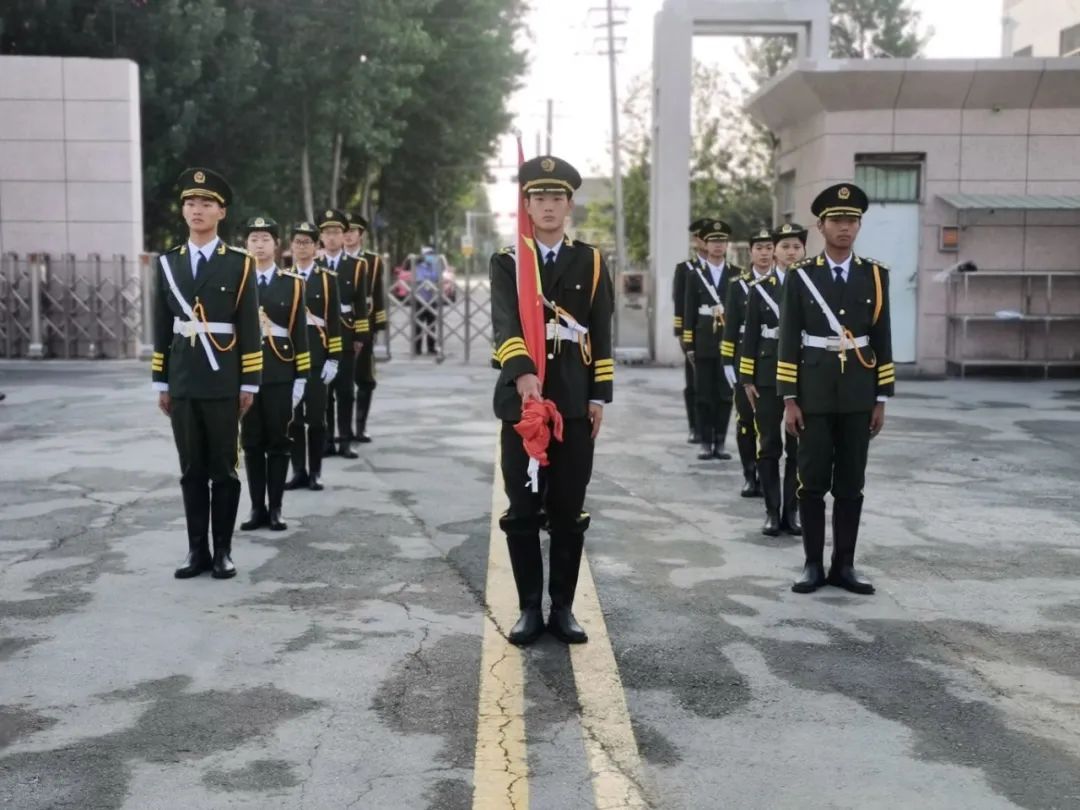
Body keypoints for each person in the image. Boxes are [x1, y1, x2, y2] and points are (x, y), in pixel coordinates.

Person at [491, 154, 614, 645]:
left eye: (556, 197)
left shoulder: (590, 260)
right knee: (522, 509)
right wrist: (522, 375)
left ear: (569, 204)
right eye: (538, 197)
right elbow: (506, 324)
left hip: (572, 401)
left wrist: (599, 395)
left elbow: (601, 331)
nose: (547, 205)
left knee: (567, 508)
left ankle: (562, 607)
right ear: (526, 204)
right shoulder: (509, 262)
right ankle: (527, 609)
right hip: (522, 404)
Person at [779, 184, 894, 595]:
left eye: (852, 221)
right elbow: (788, 337)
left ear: (859, 225)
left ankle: (843, 565)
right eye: (837, 221)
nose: (845, 227)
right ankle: (812, 564)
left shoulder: (875, 275)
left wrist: (881, 398)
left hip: (859, 395)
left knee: (850, 482)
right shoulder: (801, 276)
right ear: (821, 225)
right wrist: (789, 398)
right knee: (811, 480)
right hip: (812, 392)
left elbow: (881, 339)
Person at [151, 167, 261, 579]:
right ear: (183, 212)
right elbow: (162, 328)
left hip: (222, 381)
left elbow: (249, 326)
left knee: (223, 470)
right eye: (190, 203)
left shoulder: (238, 263)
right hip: (182, 381)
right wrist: (161, 381)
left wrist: (249, 382)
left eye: (206, 204)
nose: (196, 210)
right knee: (191, 469)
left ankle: (223, 552)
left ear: (221, 212)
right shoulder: (167, 263)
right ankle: (196, 551)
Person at [238, 216, 310, 532]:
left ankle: (277, 508)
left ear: (276, 244)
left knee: (279, 441)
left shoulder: (292, 284)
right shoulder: (237, 281)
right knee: (252, 443)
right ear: (245, 244)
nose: (259, 244)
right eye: (253, 239)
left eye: (265, 238)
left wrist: (302, 376)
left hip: (280, 372)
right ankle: (257, 508)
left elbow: (300, 333)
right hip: (247, 376)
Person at [739, 223, 807, 536]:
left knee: (798, 446)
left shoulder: (812, 286)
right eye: (785, 247)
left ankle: (791, 512)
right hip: (766, 374)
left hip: (803, 374)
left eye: (797, 246)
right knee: (768, 443)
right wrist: (746, 377)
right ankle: (771, 510)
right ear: (774, 251)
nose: (791, 252)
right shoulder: (760, 289)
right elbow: (749, 335)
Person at [284, 221, 342, 491]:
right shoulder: (283, 278)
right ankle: (298, 471)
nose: (302, 247)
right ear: (291, 246)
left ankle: (316, 471)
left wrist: (334, 357)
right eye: (297, 242)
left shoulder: (327, 279)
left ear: (316, 247)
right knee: (293, 417)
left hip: (318, 357)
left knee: (317, 417)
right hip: (290, 358)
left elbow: (333, 320)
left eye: (307, 242)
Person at [682, 220, 740, 461]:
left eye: (722, 241)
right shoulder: (696, 276)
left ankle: (720, 442)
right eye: (713, 241)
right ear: (705, 244)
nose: (718, 246)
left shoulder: (737, 274)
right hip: (704, 340)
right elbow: (688, 310)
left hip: (728, 342)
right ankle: (705, 442)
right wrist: (689, 344)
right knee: (703, 394)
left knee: (725, 395)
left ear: (727, 245)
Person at [721, 233, 771, 497]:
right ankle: (750, 475)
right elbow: (730, 328)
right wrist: (729, 362)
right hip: (745, 358)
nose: (764, 253)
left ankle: (768, 475)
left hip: (775, 359)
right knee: (746, 420)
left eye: (768, 248)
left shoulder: (785, 282)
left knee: (770, 424)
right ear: (750, 252)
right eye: (759, 248)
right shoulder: (738, 285)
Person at [319, 208, 364, 460]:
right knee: (324, 391)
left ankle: (346, 439)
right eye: (327, 233)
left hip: (346, 333)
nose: (333, 237)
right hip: (321, 333)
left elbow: (361, 304)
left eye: (336, 232)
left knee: (345, 390)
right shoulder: (314, 265)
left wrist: (360, 336)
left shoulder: (356, 266)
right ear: (321, 237)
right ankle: (327, 440)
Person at [344, 212, 386, 442]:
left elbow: (377, 293)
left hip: (364, 322)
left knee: (365, 378)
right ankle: (343, 429)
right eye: (345, 231)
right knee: (341, 381)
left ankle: (360, 427)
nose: (348, 236)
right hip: (339, 322)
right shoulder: (334, 260)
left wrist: (378, 323)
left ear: (361, 234)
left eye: (353, 231)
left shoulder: (373, 260)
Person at [673, 218, 709, 444]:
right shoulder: (685, 269)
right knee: (694, 382)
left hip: (718, 334)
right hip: (694, 332)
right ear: (696, 240)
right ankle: (695, 427)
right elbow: (679, 302)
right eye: (702, 237)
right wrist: (682, 334)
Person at [413, 250, 440, 355]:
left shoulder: (433, 267)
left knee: (432, 325)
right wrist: (429, 280)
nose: (431, 257)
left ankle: (431, 347)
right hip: (420, 299)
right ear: (424, 256)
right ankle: (417, 348)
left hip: (431, 299)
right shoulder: (418, 267)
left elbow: (436, 278)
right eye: (429, 254)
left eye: (432, 254)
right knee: (418, 325)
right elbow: (420, 279)